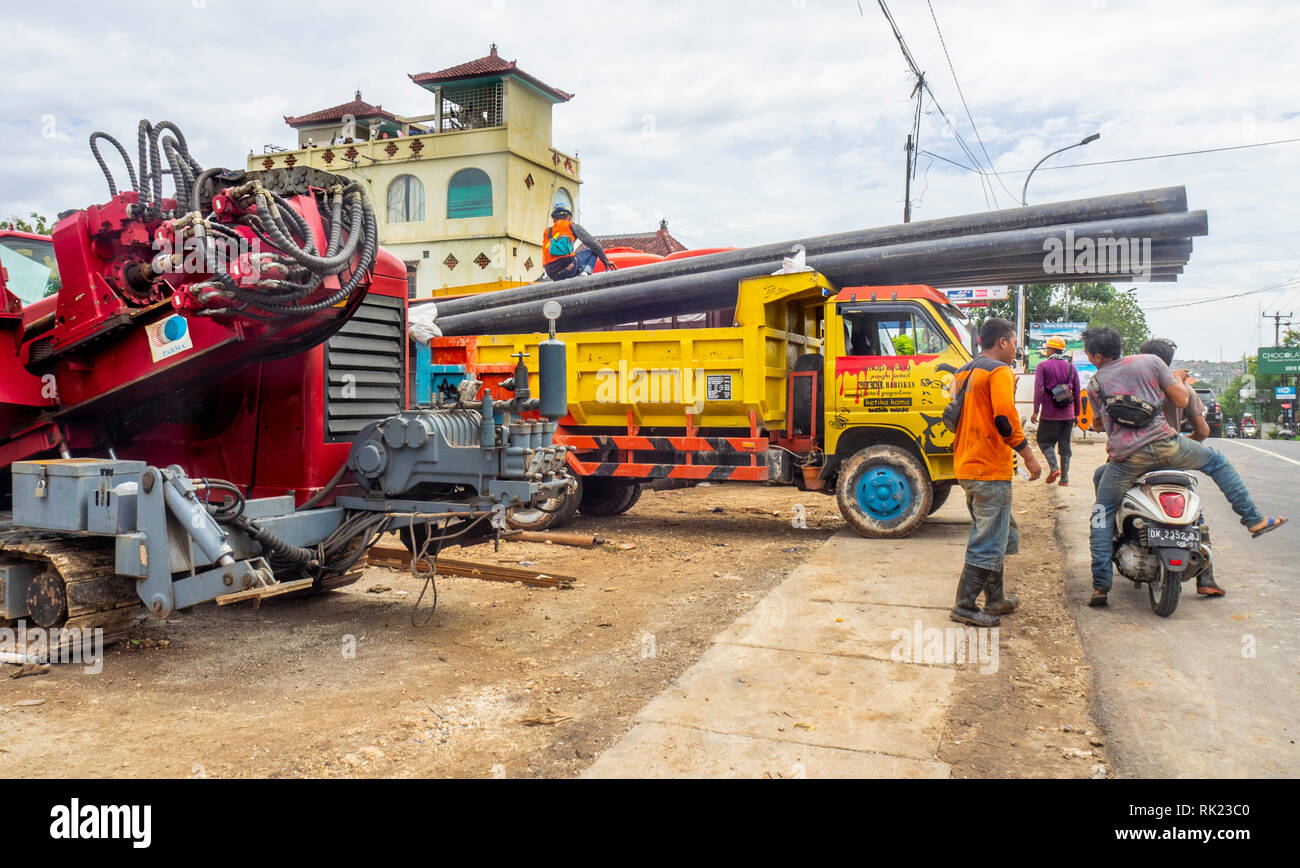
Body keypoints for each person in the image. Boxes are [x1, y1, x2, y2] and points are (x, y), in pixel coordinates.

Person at [1083, 326, 1285, 607]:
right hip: (1170, 447)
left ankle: (1101, 587)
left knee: (1101, 514)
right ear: (1119, 345)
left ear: (1094, 354)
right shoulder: (1151, 363)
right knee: (1217, 462)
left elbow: (1098, 423)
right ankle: (1253, 520)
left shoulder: (1095, 384)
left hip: (1127, 459)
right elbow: (1181, 400)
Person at [949, 317, 1043, 627]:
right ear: (1002, 342)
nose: (1016, 349)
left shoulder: (964, 371)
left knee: (998, 532)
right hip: (989, 468)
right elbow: (1005, 418)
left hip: (966, 464)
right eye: (1015, 343)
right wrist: (1029, 457)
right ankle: (964, 605)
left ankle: (995, 599)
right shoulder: (1000, 371)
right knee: (988, 539)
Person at [1030, 335, 1082, 486]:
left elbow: (1039, 389)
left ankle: (1054, 468)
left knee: (1043, 441)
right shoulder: (1072, 368)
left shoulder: (1043, 366)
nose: (1046, 351)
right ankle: (1064, 479)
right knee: (1065, 445)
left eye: (1047, 348)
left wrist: (1035, 411)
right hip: (1068, 415)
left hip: (1050, 414)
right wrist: (1077, 414)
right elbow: (1077, 393)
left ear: (1051, 349)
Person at [542, 203, 616, 281]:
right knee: (593, 251)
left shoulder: (547, 232)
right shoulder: (572, 226)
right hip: (568, 268)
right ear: (569, 217)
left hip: (551, 273)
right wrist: (606, 261)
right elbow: (594, 244)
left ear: (554, 219)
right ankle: (586, 273)